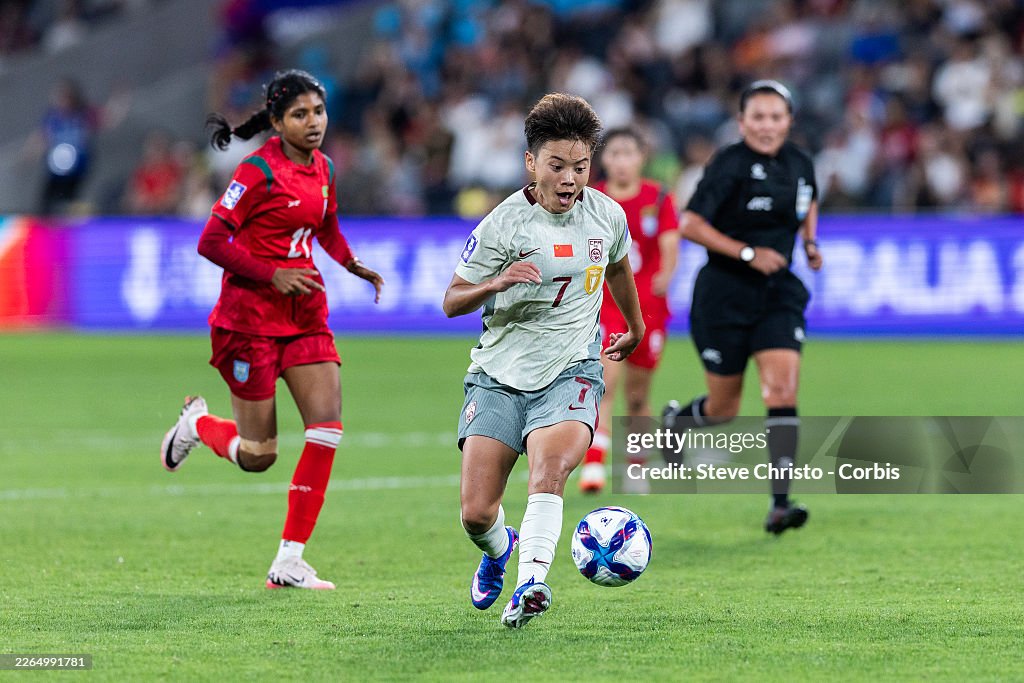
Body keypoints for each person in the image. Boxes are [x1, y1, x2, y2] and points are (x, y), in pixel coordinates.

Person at [159, 69, 385, 590]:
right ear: (278, 122)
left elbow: (325, 226)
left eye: (319, 112)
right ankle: (197, 426)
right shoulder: (256, 172)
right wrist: (271, 273)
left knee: (326, 427)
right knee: (259, 456)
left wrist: (351, 264)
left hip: (305, 312)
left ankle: (289, 561)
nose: (313, 123)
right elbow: (212, 241)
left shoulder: (325, 168)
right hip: (250, 322)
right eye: (300, 115)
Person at [443, 93, 645, 629]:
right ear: (531, 163)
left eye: (580, 167)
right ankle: (499, 548)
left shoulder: (606, 215)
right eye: (557, 166)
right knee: (476, 513)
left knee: (550, 470)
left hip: (573, 367)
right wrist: (498, 280)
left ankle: (531, 582)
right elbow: (451, 301)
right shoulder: (502, 225)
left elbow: (621, 269)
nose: (570, 178)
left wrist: (636, 325)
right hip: (499, 376)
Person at [662, 80, 823, 535]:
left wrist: (809, 241)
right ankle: (676, 422)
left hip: (777, 294)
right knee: (724, 407)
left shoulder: (800, 162)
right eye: (759, 117)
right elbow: (689, 223)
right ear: (742, 122)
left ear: (788, 121)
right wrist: (747, 252)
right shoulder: (728, 164)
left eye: (776, 117)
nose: (768, 125)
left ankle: (779, 504)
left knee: (781, 391)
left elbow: (808, 201)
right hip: (724, 295)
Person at [579, 127, 680, 494]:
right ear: (604, 160)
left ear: (641, 158)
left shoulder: (659, 197)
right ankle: (594, 466)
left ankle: (636, 466)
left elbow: (670, 244)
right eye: (615, 154)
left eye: (629, 153)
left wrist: (667, 274)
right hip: (605, 304)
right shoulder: (593, 198)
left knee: (638, 396)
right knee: (606, 382)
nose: (621, 161)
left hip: (650, 307)